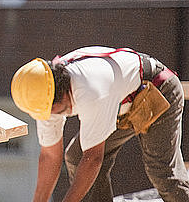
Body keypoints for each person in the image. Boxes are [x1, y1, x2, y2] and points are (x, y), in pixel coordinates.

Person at [10, 46, 189, 202]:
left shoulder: (91, 91)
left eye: (53, 112)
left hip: (158, 89)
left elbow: (93, 158)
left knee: (162, 172)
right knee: (76, 156)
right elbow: (50, 156)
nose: (49, 117)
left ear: (61, 98)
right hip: (122, 101)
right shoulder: (44, 92)